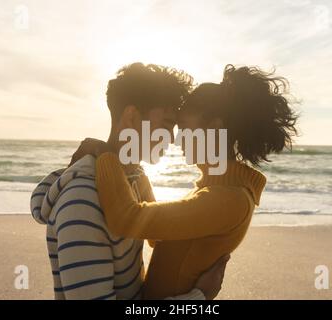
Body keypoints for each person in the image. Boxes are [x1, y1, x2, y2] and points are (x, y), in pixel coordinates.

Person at [75, 64, 298, 299]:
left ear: (214, 126)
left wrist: (105, 153)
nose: (175, 139)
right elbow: (157, 234)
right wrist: (136, 173)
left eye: (183, 128)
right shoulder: (216, 190)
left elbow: (126, 219)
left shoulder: (228, 199)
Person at [30, 63, 229, 300]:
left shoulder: (130, 181)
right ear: (132, 117)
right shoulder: (83, 201)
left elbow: (158, 237)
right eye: (166, 124)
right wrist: (199, 298)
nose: (173, 138)